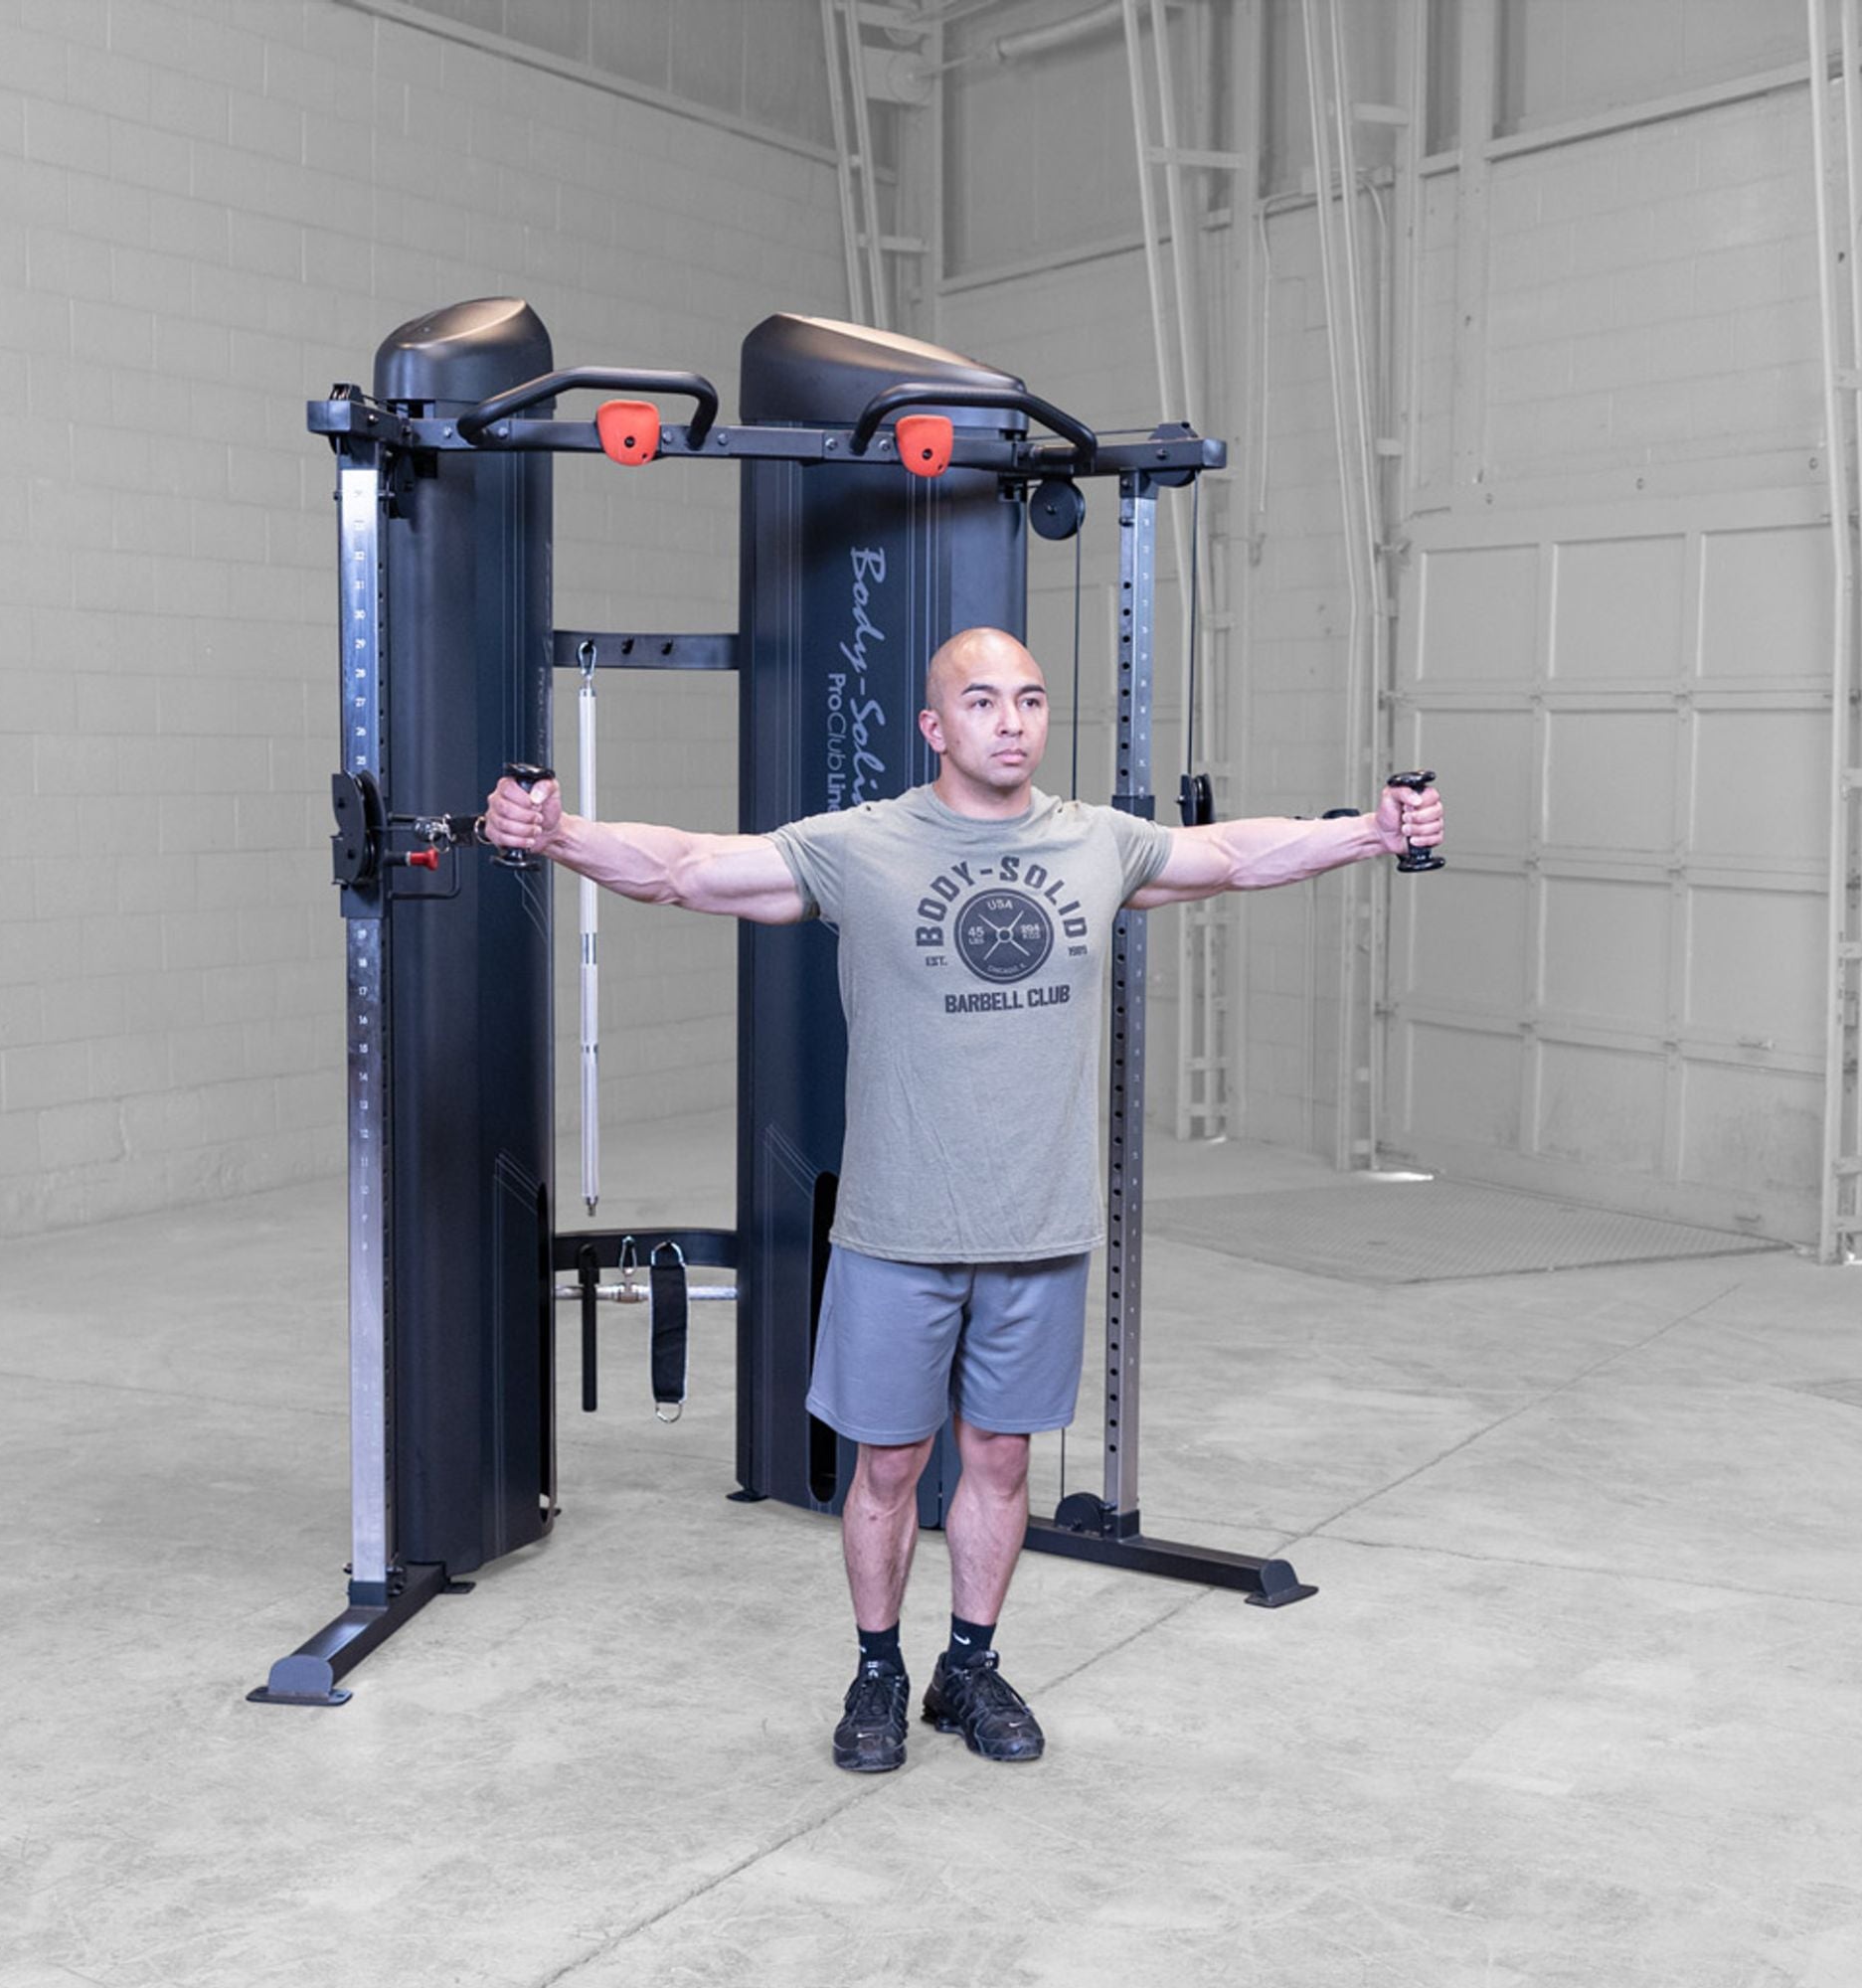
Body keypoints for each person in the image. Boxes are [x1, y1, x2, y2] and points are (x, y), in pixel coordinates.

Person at [482, 625, 1443, 1774]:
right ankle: (878, 1668)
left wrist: (1368, 833)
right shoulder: (861, 846)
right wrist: (558, 833)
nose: (1011, 721)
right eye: (982, 702)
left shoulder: (1098, 840)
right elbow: (687, 866)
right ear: (935, 728)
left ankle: (970, 1665)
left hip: (1039, 1223)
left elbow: (1234, 852)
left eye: (1030, 700)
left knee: (998, 1462)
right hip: (897, 1225)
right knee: (888, 1466)